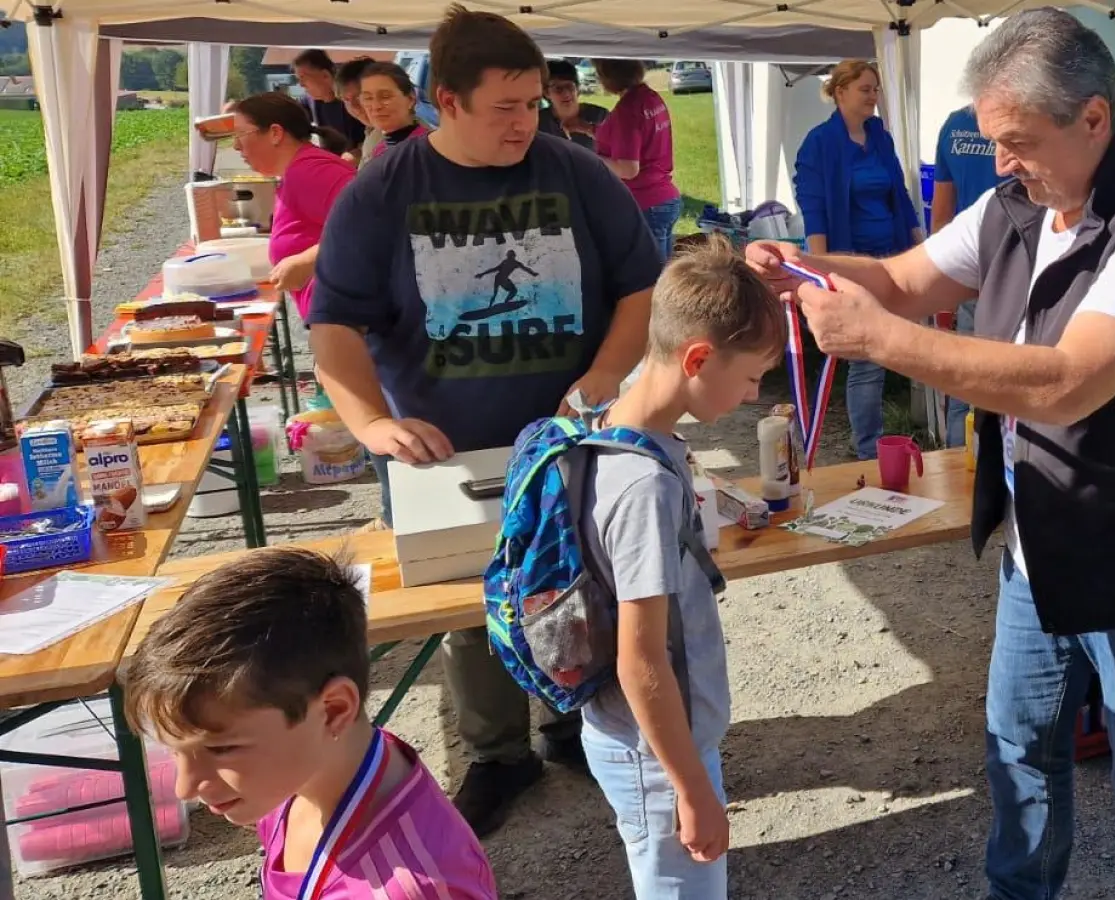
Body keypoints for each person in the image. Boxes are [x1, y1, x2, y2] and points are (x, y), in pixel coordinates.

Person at [747, 9, 1115, 899]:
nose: (1003, 162)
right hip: (1040, 550)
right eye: (994, 142)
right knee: (1017, 753)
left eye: (1018, 141)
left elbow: (1063, 382)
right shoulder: (1017, 203)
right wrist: (809, 270)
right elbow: (906, 280)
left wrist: (878, 341)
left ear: (1094, 119)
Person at [309, 4, 662, 838]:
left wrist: (605, 374)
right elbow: (332, 325)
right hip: (450, 451)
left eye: (534, 103)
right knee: (475, 607)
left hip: (568, 438)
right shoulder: (382, 192)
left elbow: (642, 289)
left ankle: (576, 725)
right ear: (447, 103)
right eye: (504, 107)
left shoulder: (574, 170)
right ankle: (499, 752)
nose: (525, 123)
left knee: (578, 584)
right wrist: (369, 424)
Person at [580, 236, 781, 899]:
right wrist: (691, 789)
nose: (753, 396)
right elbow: (640, 661)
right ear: (697, 358)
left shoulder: (621, 419)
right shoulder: (644, 486)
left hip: (651, 742)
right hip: (658, 754)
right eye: (751, 377)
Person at [122, 548, 496, 898]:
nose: (185, 787)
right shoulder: (308, 771)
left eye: (220, 749)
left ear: (333, 710)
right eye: (175, 752)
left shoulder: (411, 888)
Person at [793, 59, 923, 461]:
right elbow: (813, 207)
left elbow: (899, 195)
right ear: (840, 91)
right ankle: (868, 446)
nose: (873, 96)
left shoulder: (879, 135)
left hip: (892, 256)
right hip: (849, 261)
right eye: (866, 88)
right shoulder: (819, 143)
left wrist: (921, 246)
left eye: (876, 89)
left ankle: (884, 437)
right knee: (865, 357)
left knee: (890, 349)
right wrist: (821, 267)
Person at [229, 92, 356, 322]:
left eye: (240, 134)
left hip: (351, 322)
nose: (236, 145)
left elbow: (378, 224)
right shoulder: (298, 171)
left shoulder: (312, 172)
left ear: (276, 133)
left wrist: (308, 260)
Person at [931, 102, 1004, 448]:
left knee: (963, 373)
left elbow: (941, 210)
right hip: (1013, 263)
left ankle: (958, 460)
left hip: (967, 263)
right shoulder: (1014, 118)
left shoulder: (953, 124)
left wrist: (940, 276)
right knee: (1002, 376)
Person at [592, 58, 681, 260]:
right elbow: (637, 136)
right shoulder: (651, 97)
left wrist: (588, 158)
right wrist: (591, 130)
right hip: (665, 197)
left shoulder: (627, 110)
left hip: (646, 203)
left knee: (650, 277)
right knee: (663, 275)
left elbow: (628, 169)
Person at [292, 49, 369, 151]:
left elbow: (369, 138)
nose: (301, 84)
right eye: (298, 79)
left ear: (325, 75)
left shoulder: (352, 102)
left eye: (303, 77)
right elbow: (290, 116)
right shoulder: (310, 101)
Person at [359, 61, 433, 162]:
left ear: (411, 99)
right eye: (368, 98)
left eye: (385, 97)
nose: (376, 106)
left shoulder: (425, 150)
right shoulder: (379, 147)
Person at [538, 58, 609, 152]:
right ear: (546, 93)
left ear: (578, 89)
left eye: (569, 87)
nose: (566, 93)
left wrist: (589, 129)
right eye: (558, 89)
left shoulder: (600, 116)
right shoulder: (537, 121)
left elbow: (619, 147)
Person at [334, 56, 384, 167]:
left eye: (359, 97)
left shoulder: (393, 137)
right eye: (346, 100)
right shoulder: (372, 130)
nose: (354, 107)